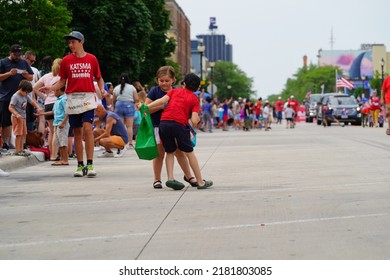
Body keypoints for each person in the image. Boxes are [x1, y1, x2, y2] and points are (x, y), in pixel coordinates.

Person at [40, 31, 106, 177]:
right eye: (69, 43)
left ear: (81, 42)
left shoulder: (92, 59)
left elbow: (99, 77)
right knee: (77, 132)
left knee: (88, 129)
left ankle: (90, 164)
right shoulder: (66, 60)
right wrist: (51, 88)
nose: (71, 45)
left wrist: (101, 88)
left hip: (88, 97)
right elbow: (63, 81)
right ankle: (79, 165)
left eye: (73, 42)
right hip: (72, 97)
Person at [146, 73, 213, 190]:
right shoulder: (194, 99)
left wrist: (146, 107)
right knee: (189, 152)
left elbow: (162, 100)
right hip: (179, 125)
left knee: (170, 151)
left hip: (164, 124)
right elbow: (193, 119)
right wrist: (195, 121)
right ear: (197, 88)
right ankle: (200, 182)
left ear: (184, 84)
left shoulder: (174, 91)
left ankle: (170, 178)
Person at [0, 44, 34, 153]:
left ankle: (17, 144)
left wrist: (25, 75)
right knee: (6, 121)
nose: (17, 57)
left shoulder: (23, 62)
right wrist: (9, 73)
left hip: (21, 97)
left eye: (19, 55)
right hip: (6, 96)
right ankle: (5, 142)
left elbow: (31, 76)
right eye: (15, 55)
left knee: (21, 121)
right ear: (10, 53)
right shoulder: (3, 62)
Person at [33, 58, 62, 161]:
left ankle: (51, 154)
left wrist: (44, 97)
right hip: (58, 102)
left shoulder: (46, 76)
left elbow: (34, 88)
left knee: (51, 131)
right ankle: (55, 153)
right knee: (57, 130)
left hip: (48, 103)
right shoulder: (61, 77)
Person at [8, 80, 42, 156]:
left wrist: (37, 107)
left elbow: (32, 101)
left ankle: (21, 149)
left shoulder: (25, 95)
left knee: (23, 134)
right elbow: (10, 107)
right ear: (21, 89)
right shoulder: (15, 96)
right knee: (18, 134)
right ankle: (17, 150)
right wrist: (16, 114)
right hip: (16, 118)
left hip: (23, 117)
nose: (26, 94)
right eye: (26, 92)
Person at [113, 74, 138, 149]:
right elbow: (136, 98)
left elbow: (113, 99)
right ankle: (130, 143)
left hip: (118, 105)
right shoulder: (132, 87)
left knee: (121, 126)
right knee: (129, 126)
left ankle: (120, 143)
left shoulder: (116, 88)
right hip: (129, 105)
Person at [51, 84, 69, 166]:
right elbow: (53, 111)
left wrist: (63, 122)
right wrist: (41, 113)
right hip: (57, 123)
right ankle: (62, 159)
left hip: (62, 123)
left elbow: (67, 111)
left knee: (63, 142)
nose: (54, 92)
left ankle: (65, 159)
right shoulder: (58, 100)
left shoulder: (64, 99)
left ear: (59, 90)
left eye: (55, 90)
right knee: (59, 143)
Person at [23, 50, 39, 132]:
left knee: (30, 120)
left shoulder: (35, 70)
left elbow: (34, 85)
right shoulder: (19, 68)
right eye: (31, 60)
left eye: (34, 61)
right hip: (20, 98)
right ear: (25, 58)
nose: (32, 62)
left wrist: (34, 98)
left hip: (30, 99)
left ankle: (28, 141)